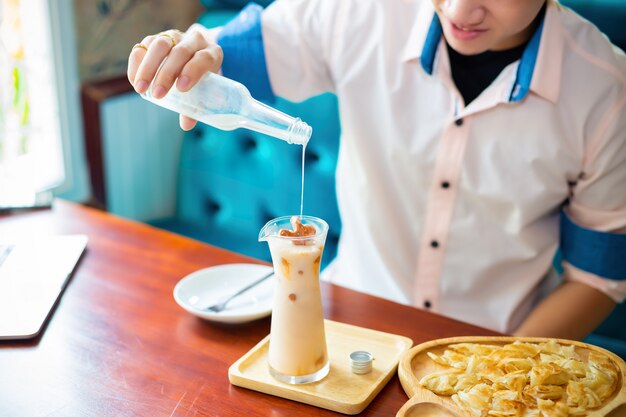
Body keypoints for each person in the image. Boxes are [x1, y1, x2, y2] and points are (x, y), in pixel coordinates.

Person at [127, 0, 626, 338]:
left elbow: (597, 280)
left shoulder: (606, 90)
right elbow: (229, 56)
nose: (459, 10)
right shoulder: (363, 11)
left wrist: (496, 378)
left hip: (492, 343)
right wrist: (184, 55)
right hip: (343, 328)